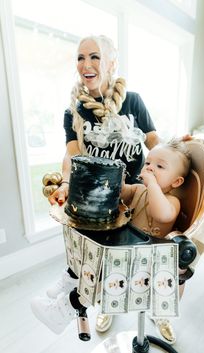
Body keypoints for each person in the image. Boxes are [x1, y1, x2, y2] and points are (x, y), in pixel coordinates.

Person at [31, 34, 190, 343]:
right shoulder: (74, 111)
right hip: (104, 205)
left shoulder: (133, 101)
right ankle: (106, 306)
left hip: (141, 197)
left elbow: (155, 144)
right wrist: (65, 183)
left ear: (112, 63)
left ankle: (158, 313)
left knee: (150, 265)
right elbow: (72, 155)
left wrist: (181, 148)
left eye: (94, 56)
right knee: (104, 265)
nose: (85, 64)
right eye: (80, 57)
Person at [31, 138, 191, 344]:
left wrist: (150, 184)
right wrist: (118, 181)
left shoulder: (171, 201)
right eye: (148, 163)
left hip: (145, 263)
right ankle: (70, 277)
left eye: (159, 166)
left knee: (98, 275)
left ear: (176, 182)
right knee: (90, 240)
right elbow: (123, 193)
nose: (150, 168)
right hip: (127, 248)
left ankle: (61, 312)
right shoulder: (140, 190)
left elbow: (162, 215)